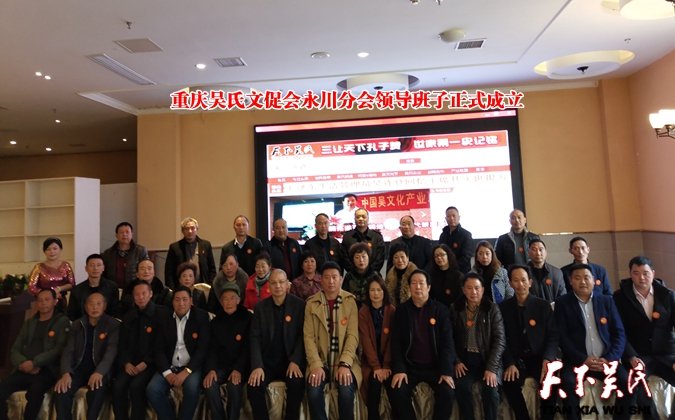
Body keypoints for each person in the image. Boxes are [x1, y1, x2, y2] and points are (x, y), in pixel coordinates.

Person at [554, 264, 634, 420]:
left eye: (586, 277)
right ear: (570, 281)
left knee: (628, 384)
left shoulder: (606, 301)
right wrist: (583, 359)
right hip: (577, 362)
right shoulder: (563, 303)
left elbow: (619, 333)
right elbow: (562, 337)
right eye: (577, 278)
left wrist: (608, 359)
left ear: (594, 280)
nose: (583, 282)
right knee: (567, 384)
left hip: (605, 360)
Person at [389, 269, 456, 420]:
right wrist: (399, 369)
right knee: (397, 390)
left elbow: (447, 343)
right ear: (409, 287)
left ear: (429, 287)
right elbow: (396, 343)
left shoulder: (440, 310)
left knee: (447, 392)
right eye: (414, 283)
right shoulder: (401, 311)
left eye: (421, 283)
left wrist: (446, 371)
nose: (418, 287)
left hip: (435, 367)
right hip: (410, 367)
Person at [613, 256, 674, 417]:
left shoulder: (667, 295)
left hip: (666, 353)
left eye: (645, 273)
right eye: (636, 273)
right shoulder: (620, 297)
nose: (641, 278)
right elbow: (619, 331)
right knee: (635, 386)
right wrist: (631, 356)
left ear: (653, 273)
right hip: (639, 355)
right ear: (630, 274)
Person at [0, 289, 70, 420]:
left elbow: (58, 349)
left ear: (55, 302)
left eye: (47, 300)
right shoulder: (30, 322)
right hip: (24, 368)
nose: (43, 303)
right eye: (40, 300)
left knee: (34, 393)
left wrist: (35, 363)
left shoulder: (62, 322)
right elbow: (15, 349)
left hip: (46, 370)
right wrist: (22, 363)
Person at [304, 261, 361, 420]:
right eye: (327, 277)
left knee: (346, 391)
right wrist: (316, 365)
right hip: (320, 360)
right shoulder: (311, 304)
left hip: (343, 360)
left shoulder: (350, 301)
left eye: (334, 277)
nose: (331, 281)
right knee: (313, 391)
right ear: (320, 279)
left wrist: (345, 363)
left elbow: (352, 336)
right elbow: (308, 338)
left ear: (341, 279)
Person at [500, 265, 558, 420]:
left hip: (540, 358)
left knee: (550, 382)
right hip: (517, 360)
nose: (520, 284)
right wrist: (509, 363)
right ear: (510, 283)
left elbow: (553, 336)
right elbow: (501, 339)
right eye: (516, 281)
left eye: (524, 280)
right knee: (509, 382)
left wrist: (548, 359)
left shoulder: (543, 305)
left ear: (530, 282)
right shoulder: (503, 308)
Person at [248, 269, 306, 420]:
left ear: (288, 285)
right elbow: (254, 338)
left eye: (281, 282)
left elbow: (303, 336)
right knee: (254, 386)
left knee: (296, 383)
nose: (278, 286)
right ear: (268, 286)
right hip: (267, 362)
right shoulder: (260, 308)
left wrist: (295, 361)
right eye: (273, 283)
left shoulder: (299, 305)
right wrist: (257, 365)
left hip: (290, 361)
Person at [147, 286, 210, 420]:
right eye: (177, 299)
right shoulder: (164, 317)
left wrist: (187, 371)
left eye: (185, 299)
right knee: (152, 390)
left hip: (191, 366)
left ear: (191, 301)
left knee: (192, 389)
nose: (181, 303)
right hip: (169, 365)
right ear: (172, 302)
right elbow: (158, 349)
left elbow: (202, 349)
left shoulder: (201, 316)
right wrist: (167, 373)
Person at [54, 292, 120, 420]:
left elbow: (111, 352)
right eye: (91, 304)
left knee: (96, 392)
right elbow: (68, 351)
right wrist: (66, 373)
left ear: (105, 306)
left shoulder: (113, 325)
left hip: (99, 370)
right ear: (85, 306)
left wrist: (99, 372)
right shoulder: (77, 324)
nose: (95, 307)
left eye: (98, 304)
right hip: (78, 369)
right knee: (61, 391)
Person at [113, 280, 170, 420]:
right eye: (137, 294)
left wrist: (146, 362)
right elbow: (122, 345)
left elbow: (162, 345)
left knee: (136, 386)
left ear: (150, 294)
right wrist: (126, 363)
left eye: (144, 293)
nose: (141, 297)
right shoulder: (128, 316)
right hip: (131, 364)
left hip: (151, 363)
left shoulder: (162, 313)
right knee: (118, 386)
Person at [452, 272, 506, 420]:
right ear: (463, 290)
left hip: (487, 360)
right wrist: (456, 361)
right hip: (466, 362)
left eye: (477, 288)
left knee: (490, 391)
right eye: (469, 288)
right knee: (462, 388)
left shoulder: (492, 309)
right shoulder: (455, 309)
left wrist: (491, 368)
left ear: (482, 289)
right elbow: (449, 339)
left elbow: (500, 340)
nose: (473, 292)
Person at [203, 282, 251, 420]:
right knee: (209, 384)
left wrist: (238, 369)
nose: (228, 302)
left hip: (241, 367)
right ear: (221, 301)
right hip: (221, 366)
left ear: (238, 300)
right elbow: (211, 348)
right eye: (225, 299)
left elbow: (248, 348)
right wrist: (211, 369)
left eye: (232, 298)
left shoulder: (247, 318)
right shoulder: (216, 321)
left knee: (234, 386)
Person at [358, 277, 395, 420]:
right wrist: (376, 367)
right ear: (368, 293)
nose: (376, 293)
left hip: (389, 361)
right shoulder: (363, 312)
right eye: (372, 290)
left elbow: (392, 341)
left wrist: (386, 365)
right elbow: (366, 342)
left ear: (384, 292)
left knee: (394, 386)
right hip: (370, 361)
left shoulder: (391, 310)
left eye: (379, 290)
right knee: (374, 383)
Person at [164, 217, 216, 288]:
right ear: (182, 231)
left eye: (192, 228)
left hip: (202, 287)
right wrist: (173, 289)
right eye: (187, 229)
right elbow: (168, 272)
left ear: (197, 229)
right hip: (181, 288)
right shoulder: (175, 247)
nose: (190, 231)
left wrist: (209, 286)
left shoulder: (206, 245)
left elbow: (212, 268)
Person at [28, 237, 75, 312]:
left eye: (55, 248)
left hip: (61, 302)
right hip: (44, 302)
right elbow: (31, 287)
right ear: (44, 251)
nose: (52, 252)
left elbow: (72, 284)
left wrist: (59, 289)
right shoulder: (39, 267)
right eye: (48, 249)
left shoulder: (66, 265)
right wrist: (49, 294)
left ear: (60, 249)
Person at [67, 254, 119, 320]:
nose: (95, 268)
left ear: (103, 268)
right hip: (83, 324)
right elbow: (72, 314)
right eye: (92, 265)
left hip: (106, 323)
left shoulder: (112, 287)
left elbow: (114, 312)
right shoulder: (77, 290)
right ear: (86, 268)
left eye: (98, 265)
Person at [101, 222, 149, 290]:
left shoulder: (141, 251)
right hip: (113, 290)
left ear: (132, 234)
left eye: (127, 232)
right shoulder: (107, 253)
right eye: (121, 232)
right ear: (116, 235)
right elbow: (104, 274)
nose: (124, 234)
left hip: (134, 289)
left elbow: (146, 271)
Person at [341, 208, 385, 273]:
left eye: (363, 217)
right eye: (358, 217)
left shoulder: (377, 237)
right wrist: (355, 272)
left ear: (368, 219)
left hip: (373, 275)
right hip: (352, 276)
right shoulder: (347, 237)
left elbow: (380, 258)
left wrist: (369, 273)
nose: (361, 219)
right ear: (354, 219)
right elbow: (344, 258)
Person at [438, 206, 474, 273]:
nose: (451, 218)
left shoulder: (466, 235)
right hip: (444, 271)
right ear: (446, 219)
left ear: (459, 217)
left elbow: (466, 256)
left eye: (454, 216)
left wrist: (451, 266)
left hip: (461, 272)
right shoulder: (443, 235)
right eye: (448, 216)